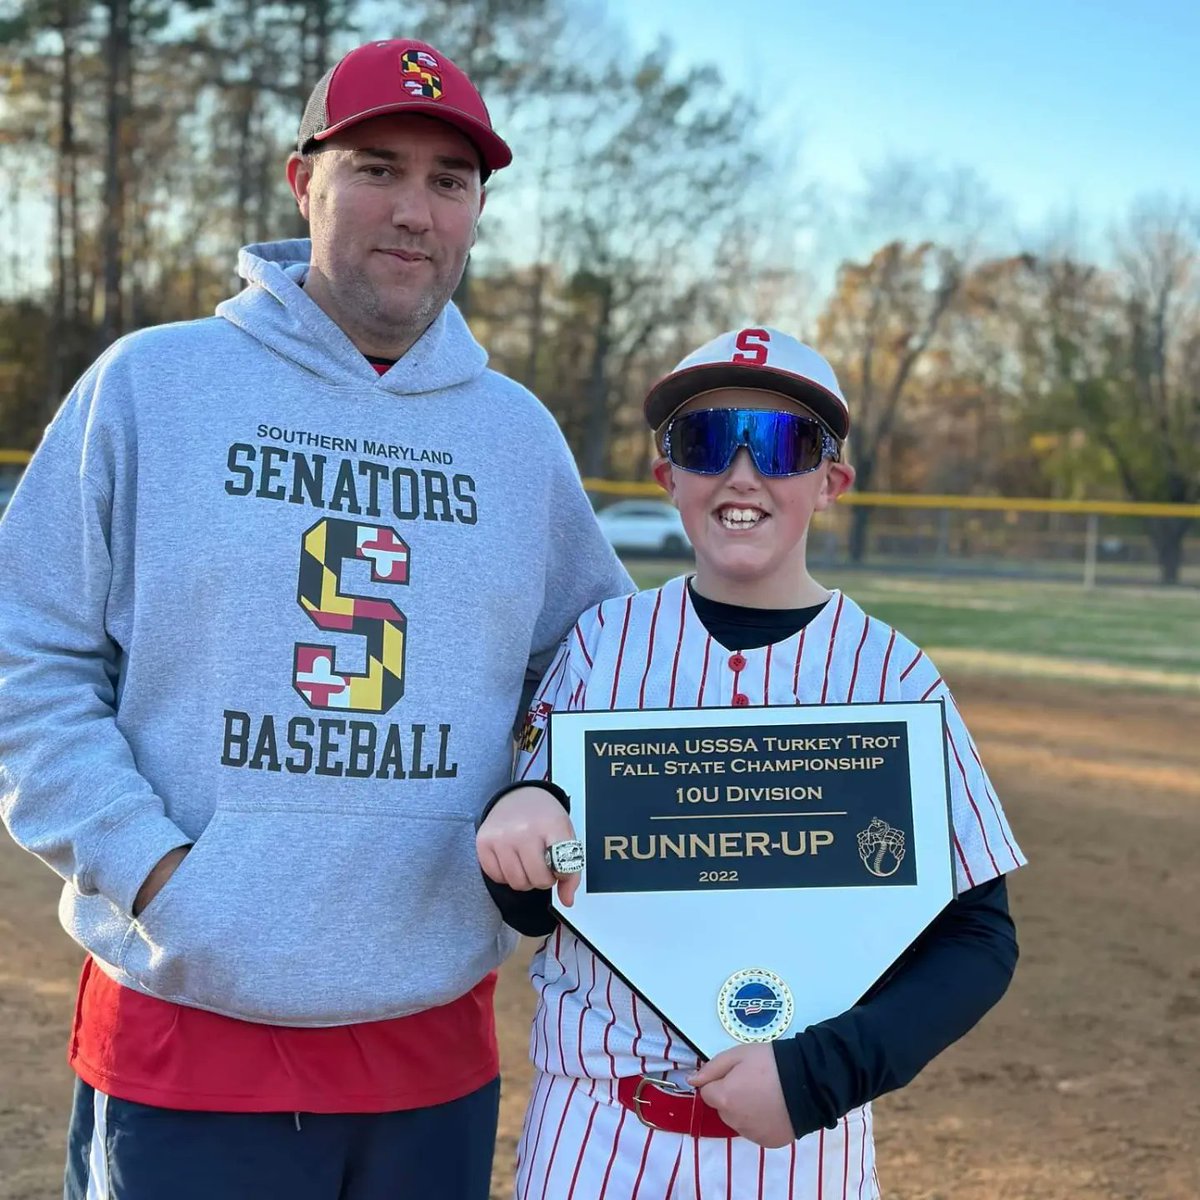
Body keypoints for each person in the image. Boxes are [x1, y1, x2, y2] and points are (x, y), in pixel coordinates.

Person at [0, 37, 631, 1200]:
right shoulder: (151, 386)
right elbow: (25, 651)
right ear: (303, 182)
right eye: (377, 169)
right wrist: (154, 871)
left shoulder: (515, 436)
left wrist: (548, 792)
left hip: (431, 1034)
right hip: (189, 1022)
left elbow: (599, 676)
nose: (415, 210)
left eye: (450, 181)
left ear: (477, 210)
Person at [476, 326, 1025, 1198]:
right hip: (598, 1134)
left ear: (831, 481)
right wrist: (518, 818)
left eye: (781, 444)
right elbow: (541, 900)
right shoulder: (603, 645)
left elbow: (977, 935)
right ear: (669, 476)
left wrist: (820, 1074)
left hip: (805, 1146)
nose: (741, 473)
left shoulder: (892, 675)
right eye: (706, 441)